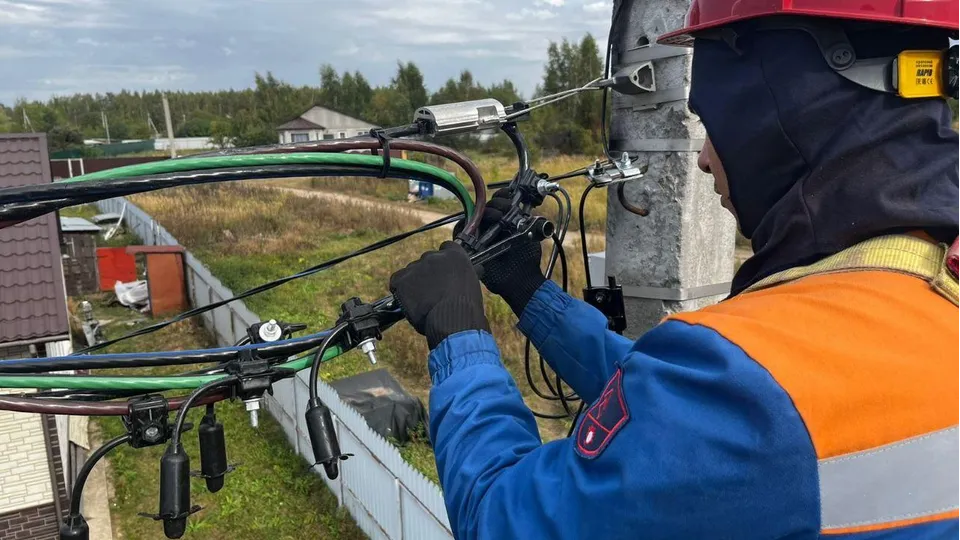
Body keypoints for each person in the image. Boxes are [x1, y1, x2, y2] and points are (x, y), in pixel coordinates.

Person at [389, 2, 960, 538]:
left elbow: (501, 517)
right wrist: (530, 293)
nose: (706, 157)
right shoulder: (926, 284)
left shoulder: (761, 384)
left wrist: (459, 338)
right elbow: (680, 409)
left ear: (778, 115)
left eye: (717, 123)